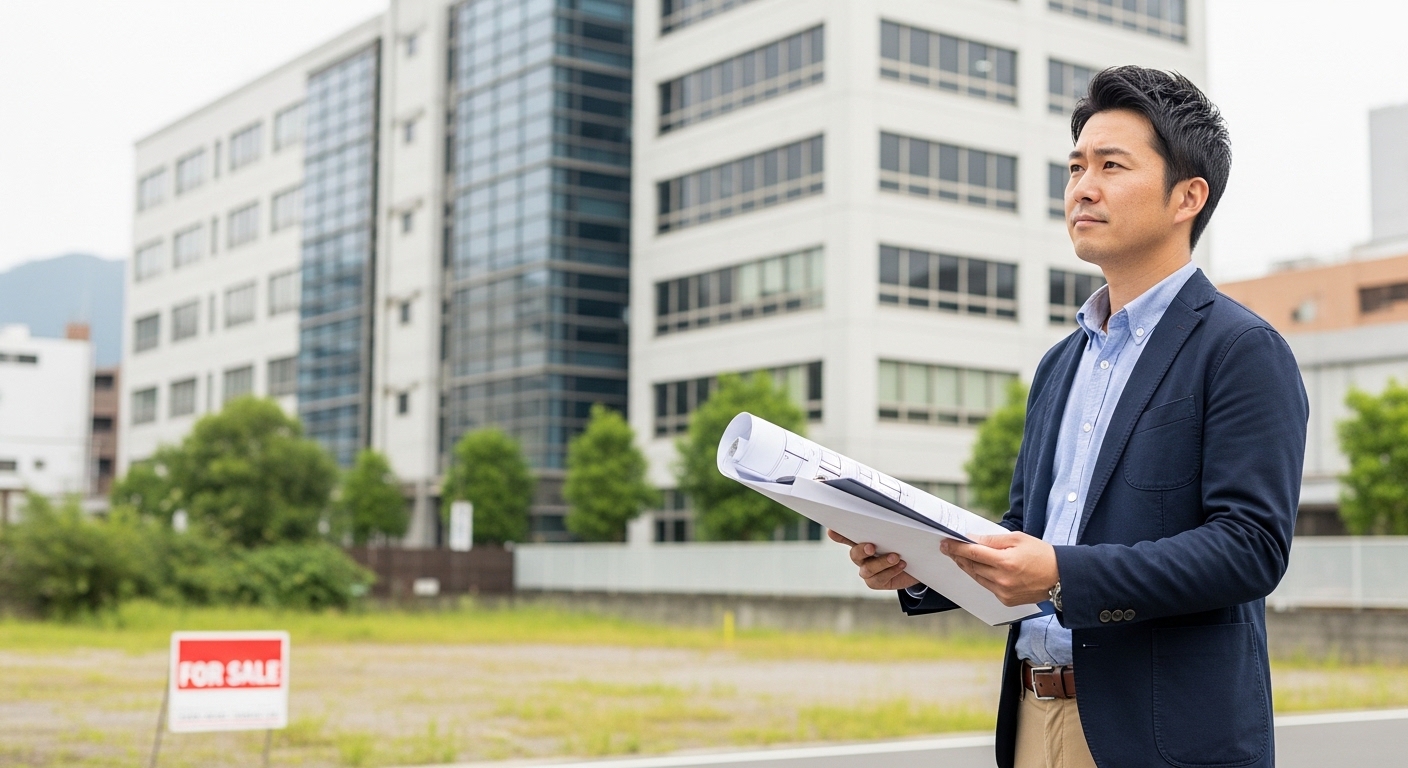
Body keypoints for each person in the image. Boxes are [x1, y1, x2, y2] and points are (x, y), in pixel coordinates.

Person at [831, 65, 1307, 768]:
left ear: (1188, 197)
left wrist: (1060, 575)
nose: (1083, 187)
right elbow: (1029, 533)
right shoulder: (1062, 362)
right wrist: (923, 567)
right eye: (1076, 166)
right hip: (1032, 716)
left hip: (1161, 736)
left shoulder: (1241, 350)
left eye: (1112, 166)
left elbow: (1249, 547)